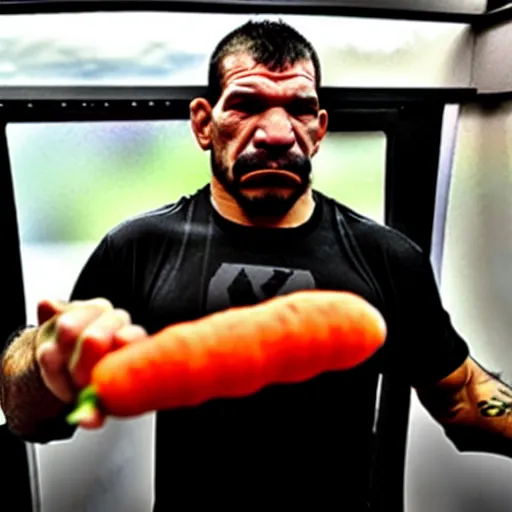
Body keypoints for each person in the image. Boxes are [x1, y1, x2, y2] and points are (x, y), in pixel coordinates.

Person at [1, 19, 511, 512]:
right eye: (246, 105)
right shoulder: (140, 248)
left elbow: (463, 396)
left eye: (299, 109)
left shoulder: (387, 258)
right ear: (204, 123)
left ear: (319, 129)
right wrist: (47, 358)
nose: (275, 132)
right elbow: (33, 413)